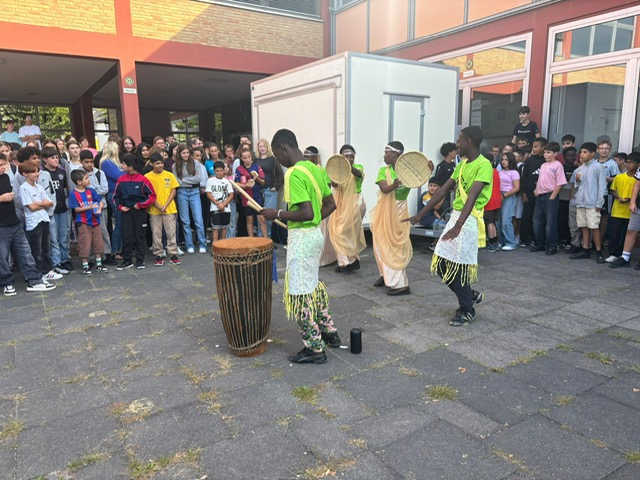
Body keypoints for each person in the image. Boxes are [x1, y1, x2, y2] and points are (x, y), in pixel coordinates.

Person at [262, 129, 338, 365]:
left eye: (276, 155)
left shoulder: (294, 173)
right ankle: (329, 332)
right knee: (312, 284)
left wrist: (277, 214)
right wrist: (311, 221)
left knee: (298, 292)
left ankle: (314, 348)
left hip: (302, 240)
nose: (278, 160)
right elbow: (330, 204)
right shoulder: (314, 168)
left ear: (283, 148)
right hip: (314, 235)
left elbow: (306, 212)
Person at [406, 126, 492, 327]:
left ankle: (467, 310)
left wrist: (459, 226)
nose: (457, 144)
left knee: (459, 267)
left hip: (468, 220)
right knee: (441, 263)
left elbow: (473, 196)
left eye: (460, 140)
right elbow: (443, 190)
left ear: (469, 142)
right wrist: (421, 214)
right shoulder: (461, 165)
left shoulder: (484, 165)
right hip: (456, 218)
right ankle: (469, 294)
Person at [0, 153, 55, 295]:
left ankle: (34, 280)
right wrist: (1, 198)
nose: (3, 168)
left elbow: (49, 201)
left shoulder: (5, 177)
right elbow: (29, 204)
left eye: (4, 165)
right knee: (3, 256)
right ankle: (7, 283)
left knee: (25, 253)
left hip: (14, 221)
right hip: (2, 226)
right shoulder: (23, 186)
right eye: (0, 165)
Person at [370, 141, 412, 296]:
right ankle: (385, 274)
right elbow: (384, 188)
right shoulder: (384, 170)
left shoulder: (407, 171)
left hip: (399, 210)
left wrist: (429, 168)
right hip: (384, 210)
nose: (384, 155)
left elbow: (420, 177)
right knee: (379, 243)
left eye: (386, 152)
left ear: (395, 154)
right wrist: (393, 186)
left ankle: (401, 284)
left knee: (394, 246)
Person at [18, 161, 61, 282]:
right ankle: (38, 273)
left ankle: (47, 270)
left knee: (46, 247)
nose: (36, 174)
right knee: (37, 250)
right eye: (33, 172)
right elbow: (31, 207)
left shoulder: (39, 187)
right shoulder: (24, 188)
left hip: (44, 219)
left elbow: (49, 203)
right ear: (25, 174)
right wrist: (42, 204)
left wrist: (38, 203)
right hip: (34, 222)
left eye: (37, 171)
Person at [114, 155, 156, 270]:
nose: (121, 166)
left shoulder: (143, 180)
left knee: (139, 235)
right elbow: (116, 196)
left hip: (139, 212)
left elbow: (152, 196)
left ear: (130, 167)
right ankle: (127, 260)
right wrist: (120, 207)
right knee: (126, 235)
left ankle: (140, 260)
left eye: (123, 164)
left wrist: (140, 205)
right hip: (126, 212)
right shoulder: (121, 180)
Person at [328, 144, 366, 272]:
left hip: (355, 203)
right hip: (341, 203)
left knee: (343, 232)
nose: (350, 158)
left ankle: (348, 262)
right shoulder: (339, 170)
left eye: (352, 156)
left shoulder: (358, 167)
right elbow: (335, 185)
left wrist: (348, 166)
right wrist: (334, 177)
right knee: (339, 232)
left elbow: (359, 174)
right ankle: (349, 261)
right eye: (346, 156)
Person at [570, 142, 607, 263]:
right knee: (584, 226)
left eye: (585, 152)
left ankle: (598, 251)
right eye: (581, 152)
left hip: (593, 203)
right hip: (581, 202)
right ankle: (585, 249)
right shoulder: (579, 169)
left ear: (592, 153)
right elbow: (577, 186)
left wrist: (599, 203)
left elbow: (602, 186)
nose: (582, 154)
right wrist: (577, 181)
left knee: (594, 227)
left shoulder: (598, 167)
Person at [144, 153, 181, 267]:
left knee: (171, 232)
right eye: (157, 163)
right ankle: (158, 254)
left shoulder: (169, 175)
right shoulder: (147, 177)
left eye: (161, 163)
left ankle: (173, 253)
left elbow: (173, 190)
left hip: (169, 209)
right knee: (156, 232)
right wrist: (158, 205)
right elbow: (148, 193)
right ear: (152, 164)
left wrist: (165, 205)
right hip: (154, 210)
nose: (160, 165)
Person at [68, 170, 107, 276]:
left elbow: (99, 201)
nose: (89, 180)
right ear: (79, 182)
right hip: (83, 222)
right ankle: (85, 266)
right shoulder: (73, 194)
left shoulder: (91, 191)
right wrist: (89, 207)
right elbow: (76, 209)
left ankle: (99, 263)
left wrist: (100, 207)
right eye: (86, 178)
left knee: (98, 242)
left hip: (95, 221)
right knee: (84, 244)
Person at [531, 141, 566, 255]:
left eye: (549, 152)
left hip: (550, 195)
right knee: (537, 221)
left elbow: (560, 183)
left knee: (550, 223)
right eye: (545, 152)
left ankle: (551, 245)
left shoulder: (558, 165)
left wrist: (552, 196)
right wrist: (536, 190)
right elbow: (540, 180)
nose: (546, 155)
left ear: (555, 153)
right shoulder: (543, 165)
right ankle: (539, 243)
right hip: (540, 195)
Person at [41, 146, 72, 274]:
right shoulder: (42, 174)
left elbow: (64, 188)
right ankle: (56, 262)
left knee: (63, 235)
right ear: (45, 159)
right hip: (50, 211)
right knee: (53, 238)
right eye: (52, 157)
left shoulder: (62, 172)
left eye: (57, 157)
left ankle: (65, 259)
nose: (55, 159)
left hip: (62, 208)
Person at [80, 150, 114, 264]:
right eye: (86, 162)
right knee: (87, 232)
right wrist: (93, 190)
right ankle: (90, 256)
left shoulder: (100, 173)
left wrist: (90, 189)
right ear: (81, 162)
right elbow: (79, 191)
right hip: (85, 207)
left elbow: (104, 189)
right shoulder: (78, 174)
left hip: (100, 206)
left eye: (91, 162)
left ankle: (106, 253)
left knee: (103, 231)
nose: (89, 164)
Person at [173, 144, 207, 254]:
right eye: (183, 153)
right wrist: (189, 180)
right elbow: (177, 182)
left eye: (187, 152)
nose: (186, 155)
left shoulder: (195, 163)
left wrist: (184, 180)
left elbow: (198, 178)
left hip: (194, 192)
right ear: (179, 154)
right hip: (182, 193)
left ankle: (202, 243)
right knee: (185, 221)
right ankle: (189, 244)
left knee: (198, 220)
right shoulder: (175, 165)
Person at [606, 153, 639, 262]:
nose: (628, 165)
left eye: (631, 163)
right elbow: (612, 190)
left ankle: (623, 254)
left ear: (638, 164)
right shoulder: (619, 177)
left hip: (630, 212)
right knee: (615, 233)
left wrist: (630, 199)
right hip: (617, 210)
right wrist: (619, 197)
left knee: (626, 234)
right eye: (627, 163)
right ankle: (613, 253)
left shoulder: (637, 179)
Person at [235, 147, 268, 238]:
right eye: (245, 158)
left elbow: (263, 182)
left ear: (251, 157)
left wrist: (256, 178)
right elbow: (236, 183)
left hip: (257, 197)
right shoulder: (239, 169)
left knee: (261, 218)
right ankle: (251, 239)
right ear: (241, 158)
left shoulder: (257, 166)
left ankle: (266, 239)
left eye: (249, 157)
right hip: (246, 198)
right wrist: (245, 186)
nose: (247, 159)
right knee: (249, 219)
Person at [520, 137, 546, 247]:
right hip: (529, 192)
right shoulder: (529, 160)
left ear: (543, 147)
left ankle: (537, 239)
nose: (534, 149)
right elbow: (524, 177)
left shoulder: (546, 161)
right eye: (533, 147)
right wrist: (523, 192)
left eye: (536, 147)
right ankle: (524, 238)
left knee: (539, 217)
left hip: (542, 193)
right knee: (527, 215)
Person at [100, 141, 124, 258]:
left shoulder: (114, 163)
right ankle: (115, 250)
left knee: (121, 223)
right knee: (119, 223)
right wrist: (125, 171)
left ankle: (120, 248)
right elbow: (119, 176)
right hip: (114, 194)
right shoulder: (107, 163)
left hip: (119, 193)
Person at [255, 138, 284, 239]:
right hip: (259, 192)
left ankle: (268, 239)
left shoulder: (273, 160)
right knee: (259, 217)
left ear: (267, 147)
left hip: (270, 191)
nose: (262, 148)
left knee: (268, 217)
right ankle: (260, 238)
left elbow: (280, 174)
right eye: (260, 146)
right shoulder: (256, 160)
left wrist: (276, 187)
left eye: (264, 146)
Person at [205, 160, 234, 244]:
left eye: (221, 171)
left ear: (224, 170)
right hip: (215, 208)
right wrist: (217, 203)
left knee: (224, 228)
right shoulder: (210, 181)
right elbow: (208, 194)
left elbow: (231, 195)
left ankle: (223, 246)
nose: (219, 173)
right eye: (217, 171)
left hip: (226, 208)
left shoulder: (227, 181)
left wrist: (223, 204)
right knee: (215, 228)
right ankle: (215, 246)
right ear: (214, 171)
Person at [498, 152, 520, 251]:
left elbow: (516, 188)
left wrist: (504, 195)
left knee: (506, 221)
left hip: (509, 196)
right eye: (502, 159)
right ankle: (501, 241)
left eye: (506, 160)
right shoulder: (500, 172)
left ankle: (511, 243)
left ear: (510, 161)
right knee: (499, 221)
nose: (503, 162)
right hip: (500, 195)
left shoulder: (514, 172)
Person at [483, 166, 501, 252]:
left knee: (489, 222)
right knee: (493, 222)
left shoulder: (485, 171)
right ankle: (495, 241)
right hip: (497, 199)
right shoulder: (495, 171)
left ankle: (491, 243)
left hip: (488, 200)